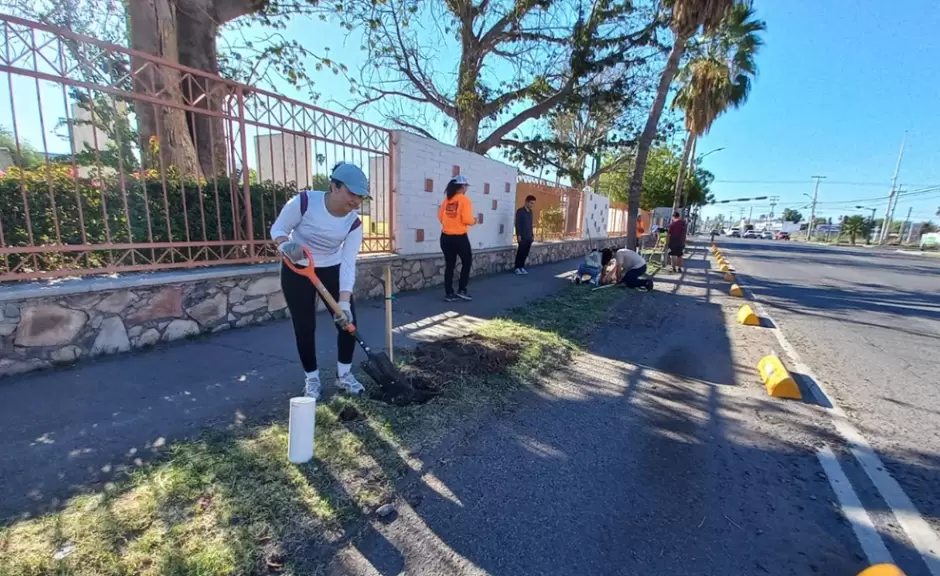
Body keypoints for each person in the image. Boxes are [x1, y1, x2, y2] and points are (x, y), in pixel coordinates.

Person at [271, 161, 369, 400]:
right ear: (335, 187)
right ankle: (312, 379)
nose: (356, 201)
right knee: (304, 326)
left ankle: (344, 375)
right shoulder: (304, 202)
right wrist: (286, 245)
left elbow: (348, 263)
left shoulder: (354, 223)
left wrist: (343, 302)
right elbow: (278, 229)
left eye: (361, 197)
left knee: (347, 322)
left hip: (331, 267)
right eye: (352, 194)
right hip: (297, 267)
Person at [438, 175, 476, 301]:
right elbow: (467, 220)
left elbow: (440, 218)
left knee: (450, 265)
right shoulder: (465, 200)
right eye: (466, 186)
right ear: (462, 186)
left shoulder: (446, 200)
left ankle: (449, 293)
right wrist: (474, 221)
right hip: (459, 238)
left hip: (445, 237)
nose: (466, 189)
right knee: (467, 262)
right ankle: (462, 289)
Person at [514, 195, 536, 274]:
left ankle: (522, 267)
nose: (532, 205)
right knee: (520, 252)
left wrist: (532, 235)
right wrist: (518, 235)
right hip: (522, 236)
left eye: (533, 203)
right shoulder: (520, 211)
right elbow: (517, 224)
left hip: (529, 236)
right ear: (526, 202)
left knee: (525, 253)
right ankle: (517, 267)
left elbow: (530, 224)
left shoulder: (530, 212)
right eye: (531, 203)